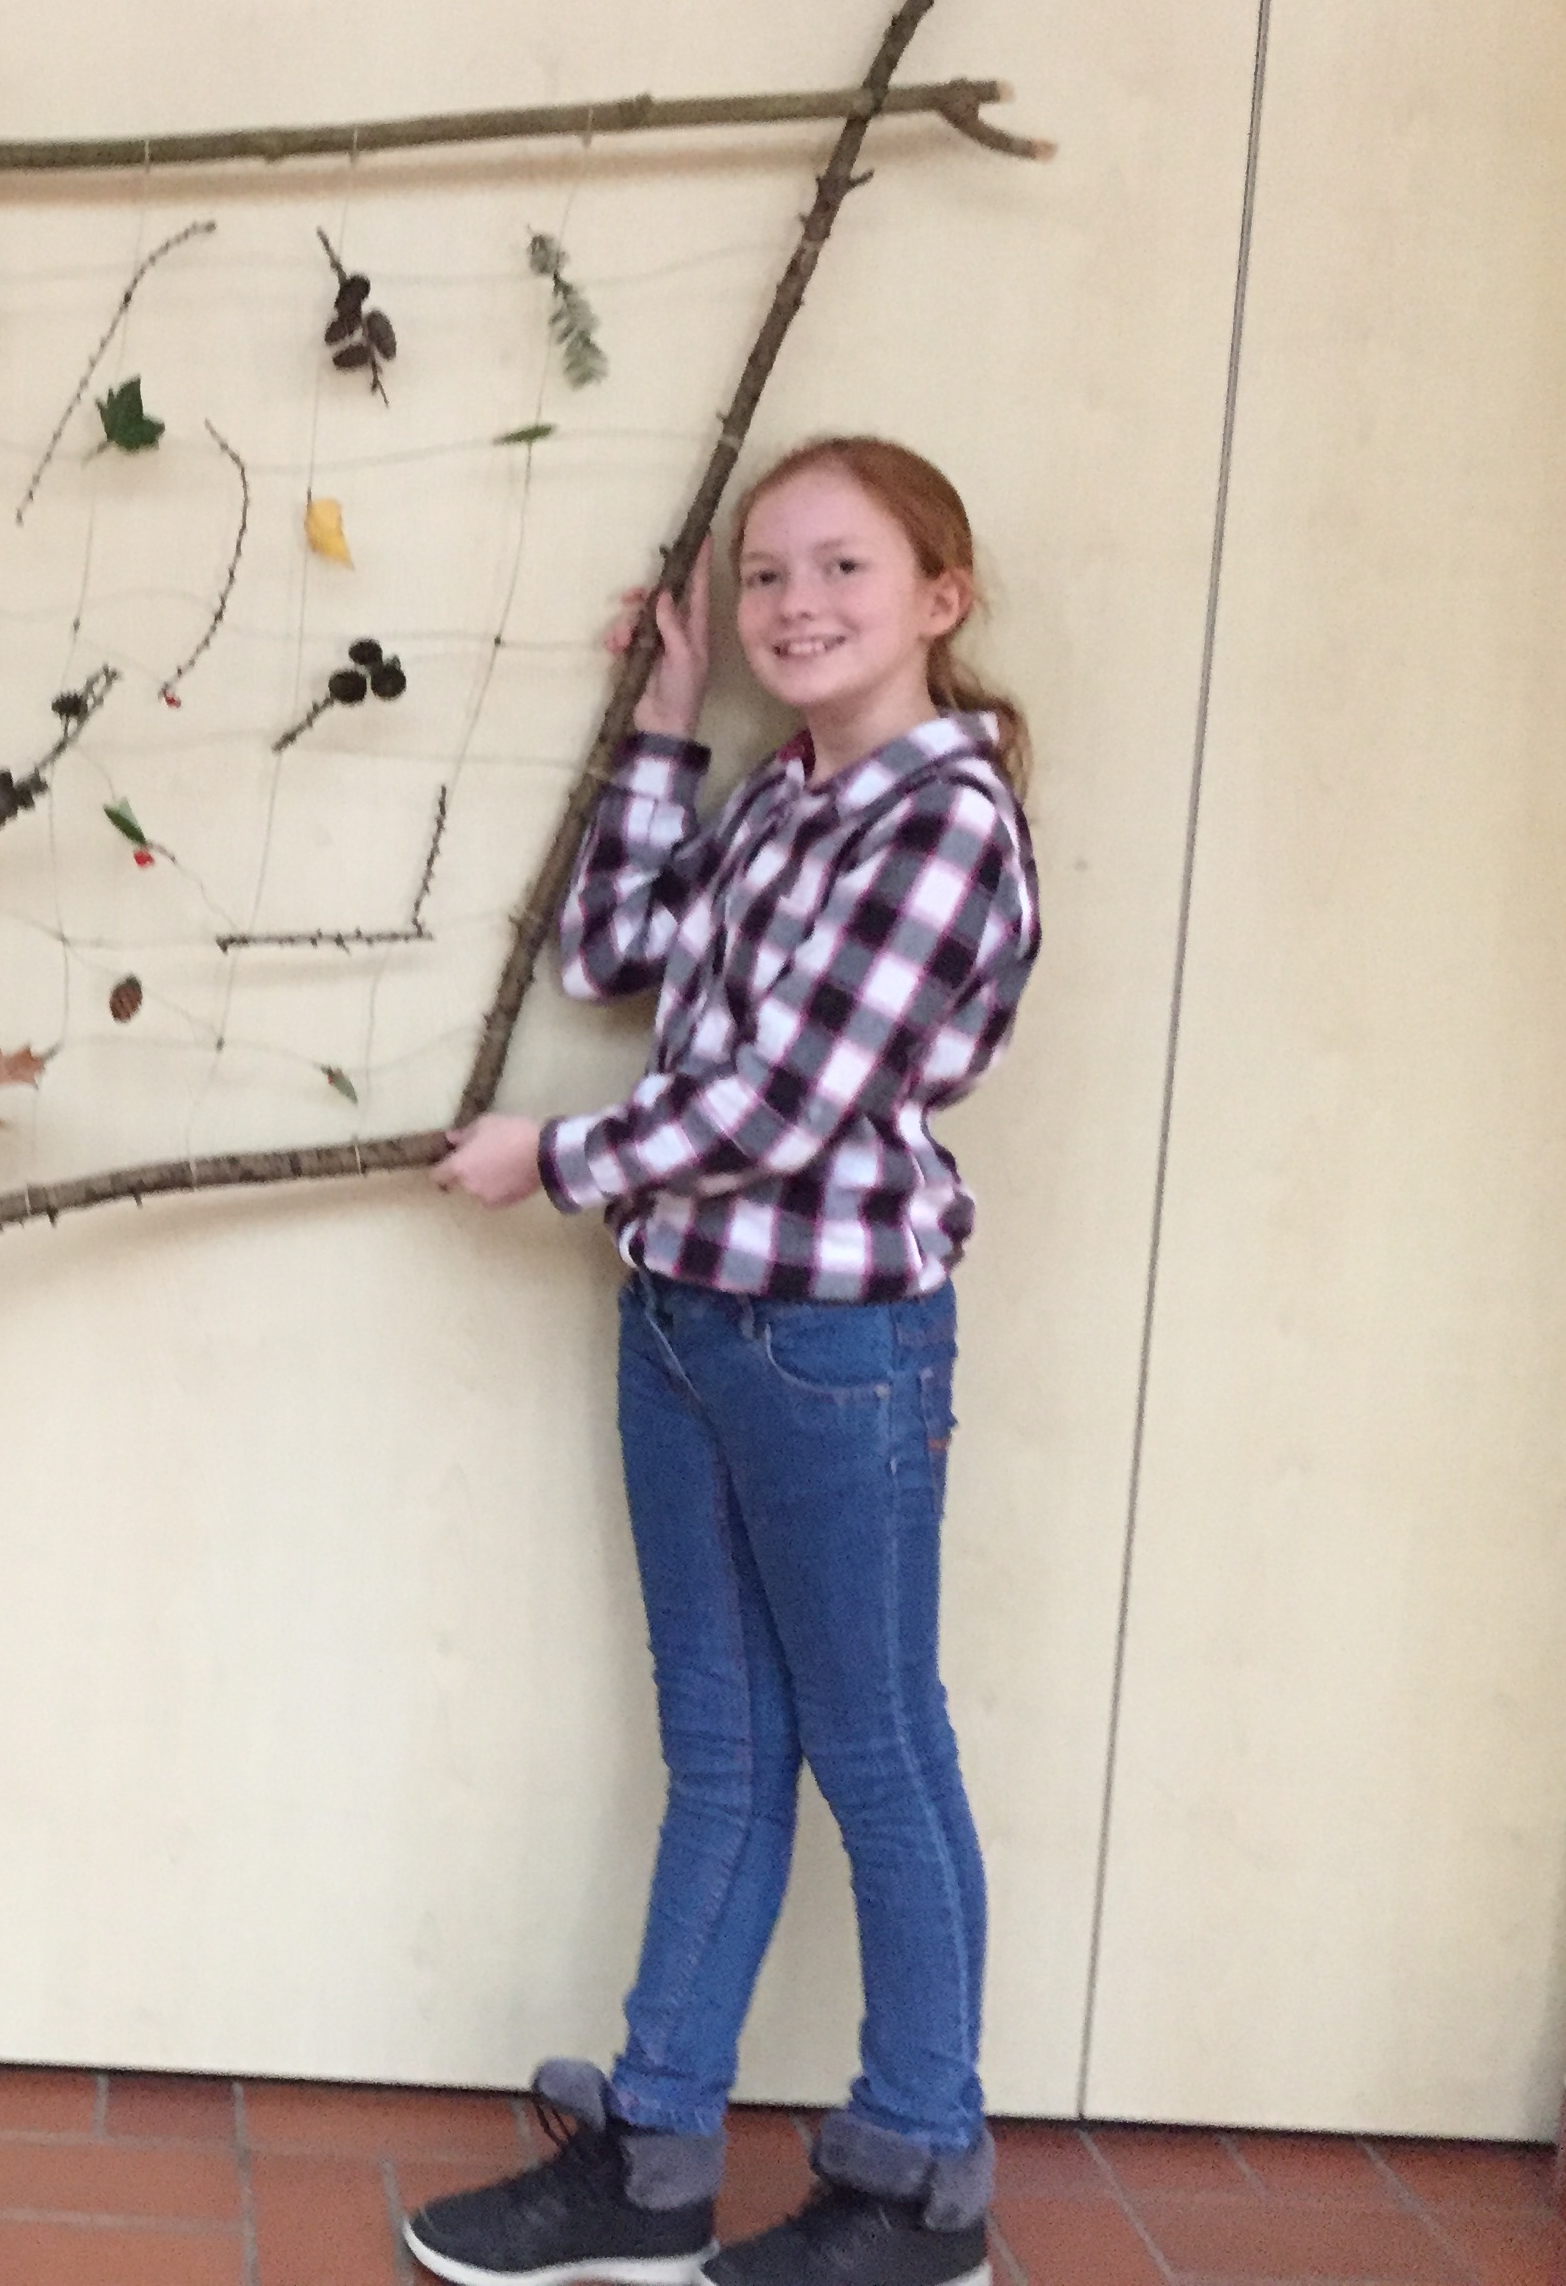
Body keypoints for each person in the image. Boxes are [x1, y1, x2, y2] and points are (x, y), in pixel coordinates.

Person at [413, 438, 1039, 2286]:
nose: (796, 605)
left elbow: (785, 1103)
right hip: (686, 1320)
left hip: (833, 1348)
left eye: (843, 569)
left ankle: (920, 2183)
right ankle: (656, 2157)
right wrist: (666, 725)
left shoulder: (944, 825)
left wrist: (555, 1158)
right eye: (766, 576)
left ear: (940, 596)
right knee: (727, 1751)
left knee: (879, 1752)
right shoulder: (785, 798)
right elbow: (609, 951)